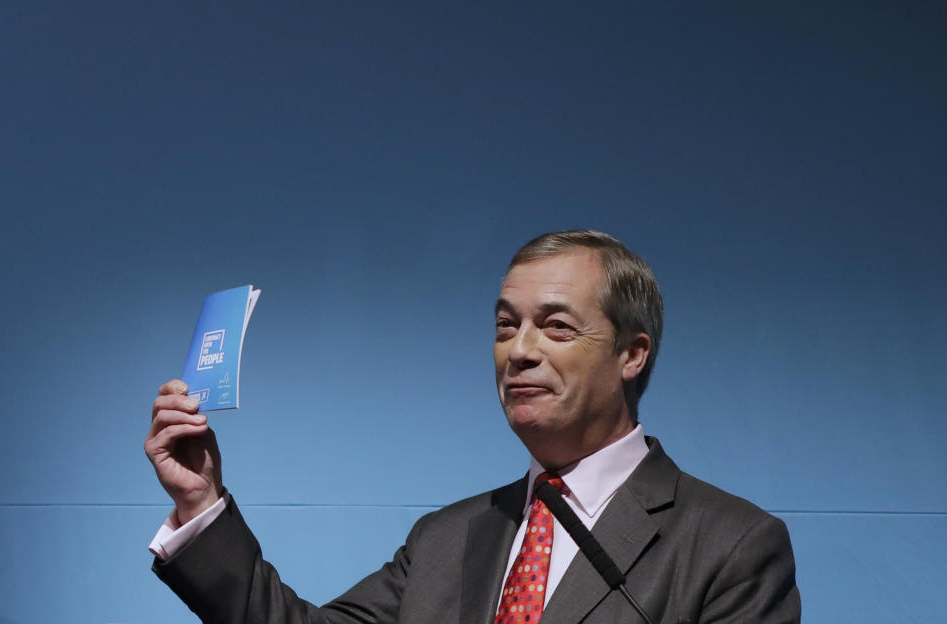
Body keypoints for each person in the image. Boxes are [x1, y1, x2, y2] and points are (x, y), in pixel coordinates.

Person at [145, 230, 801, 623]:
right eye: (505, 326)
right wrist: (201, 505)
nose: (519, 351)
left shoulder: (732, 545)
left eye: (556, 326)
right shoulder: (445, 539)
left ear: (632, 353)